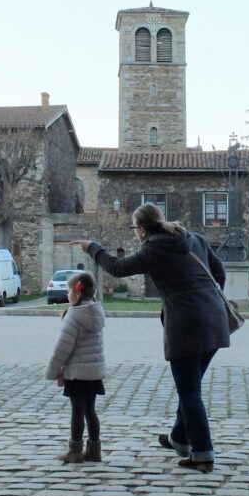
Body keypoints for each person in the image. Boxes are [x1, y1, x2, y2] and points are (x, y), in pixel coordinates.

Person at [74, 202, 229, 473]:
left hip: (186, 323)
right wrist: (207, 301)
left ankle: (203, 454)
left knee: (189, 391)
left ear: (142, 229)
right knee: (191, 385)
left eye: (135, 228)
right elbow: (220, 273)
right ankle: (180, 439)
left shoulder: (154, 248)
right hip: (216, 320)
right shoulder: (194, 238)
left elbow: (118, 267)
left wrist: (93, 247)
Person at [44, 271, 106, 463]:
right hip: (94, 373)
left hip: (78, 374)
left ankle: (75, 450)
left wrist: (51, 371)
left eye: (69, 290)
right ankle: (95, 449)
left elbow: (62, 347)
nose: (67, 294)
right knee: (90, 411)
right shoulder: (97, 312)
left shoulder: (74, 315)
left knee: (77, 411)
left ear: (77, 293)